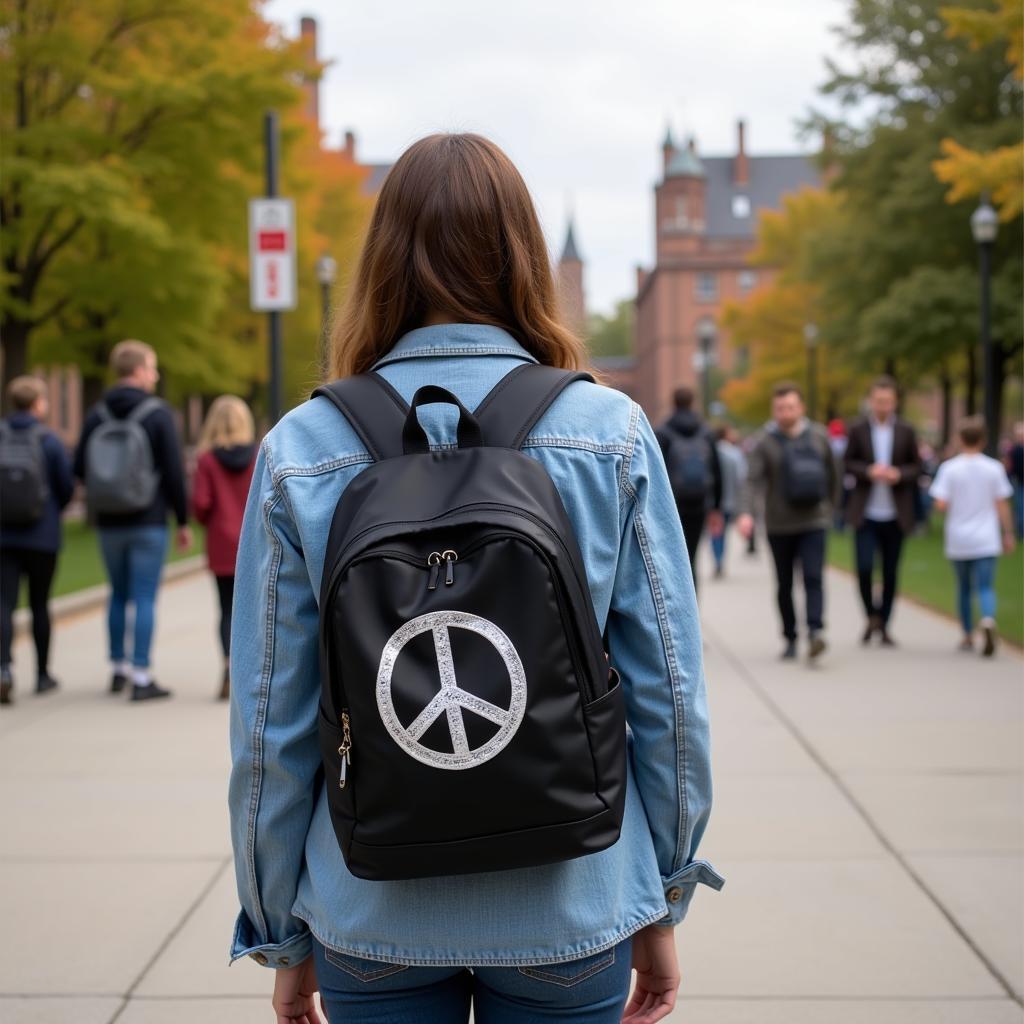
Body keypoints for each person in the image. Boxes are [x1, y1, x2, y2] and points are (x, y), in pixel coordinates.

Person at [228, 133, 721, 1024]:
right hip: (572, 901)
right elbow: (671, 697)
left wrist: (281, 927)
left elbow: (270, 721)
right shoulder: (607, 432)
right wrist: (661, 889)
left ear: (379, 263)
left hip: (367, 910)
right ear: (525, 258)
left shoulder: (299, 450)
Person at [73, 340, 192, 701]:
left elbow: (79, 466)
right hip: (148, 520)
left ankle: (117, 668)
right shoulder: (158, 414)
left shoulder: (96, 414)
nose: (155, 375)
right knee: (143, 596)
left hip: (109, 520)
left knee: (118, 593)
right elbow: (173, 471)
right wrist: (183, 519)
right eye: (152, 367)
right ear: (138, 370)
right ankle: (141, 675)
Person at [737, 382, 839, 662]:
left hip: (814, 521)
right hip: (779, 524)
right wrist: (746, 513)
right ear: (774, 410)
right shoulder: (765, 441)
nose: (786, 412)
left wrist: (830, 509)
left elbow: (833, 475)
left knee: (813, 577)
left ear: (801, 408)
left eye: (791, 407)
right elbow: (752, 480)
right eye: (780, 408)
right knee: (784, 583)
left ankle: (816, 631)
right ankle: (790, 636)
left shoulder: (819, 436)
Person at [0, 376, 74, 705]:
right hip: (41, 535)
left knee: (3, 604)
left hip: (4, 536)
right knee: (39, 604)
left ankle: (4, 668)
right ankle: (42, 674)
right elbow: (66, 488)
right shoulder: (49, 440)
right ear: (38, 404)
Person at [842, 376, 922, 646]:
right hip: (865, 512)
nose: (882, 406)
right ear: (870, 401)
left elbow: (917, 467)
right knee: (864, 568)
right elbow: (847, 462)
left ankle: (884, 623)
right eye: (878, 401)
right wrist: (868, 470)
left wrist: (899, 474)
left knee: (890, 572)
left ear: (895, 402)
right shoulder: (858, 429)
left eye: (887, 401)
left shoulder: (906, 430)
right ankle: (871, 616)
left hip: (895, 513)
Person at [929, 417, 1015, 657]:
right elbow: (1002, 504)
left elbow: (940, 504)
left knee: (964, 588)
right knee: (986, 586)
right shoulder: (994, 468)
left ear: (959, 438)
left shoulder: (949, 468)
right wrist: (1008, 533)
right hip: (986, 537)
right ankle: (987, 619)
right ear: (983, 440)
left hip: (959, 536)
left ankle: (967, 633)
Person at [192, 396, 256, 701]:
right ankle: (249, 673)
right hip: (251, 542)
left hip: (220, 545)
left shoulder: (207, 460)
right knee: (252, 611)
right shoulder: (258, 455)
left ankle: (228, 668)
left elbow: (201, 505)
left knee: (226, 609)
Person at [655, 386, 723, 593]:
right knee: (692, 558)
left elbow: (657, 471)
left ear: (672, 402)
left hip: (671, 506)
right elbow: (717, 471)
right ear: (693, 402)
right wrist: (716, 507)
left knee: (672, 560)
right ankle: (693, 611)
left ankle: (675, 609)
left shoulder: (663, 432)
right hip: (699, 503)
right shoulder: (705, 432)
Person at [710, 425, 746, 579]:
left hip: (712, 500)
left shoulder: (711, 452)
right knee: (724, 532)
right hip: (729, 499)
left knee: (714, 531)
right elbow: (741, 477)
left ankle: (716, 559)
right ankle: (721, 559)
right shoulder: (735, 454)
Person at [1007, 422, 1024, 541]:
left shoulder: (1014, 450)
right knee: (1020, 507)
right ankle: (1021, 531)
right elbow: (1010, 467)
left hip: (1018, 481)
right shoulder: (1014, 450)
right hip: (1018, 481)